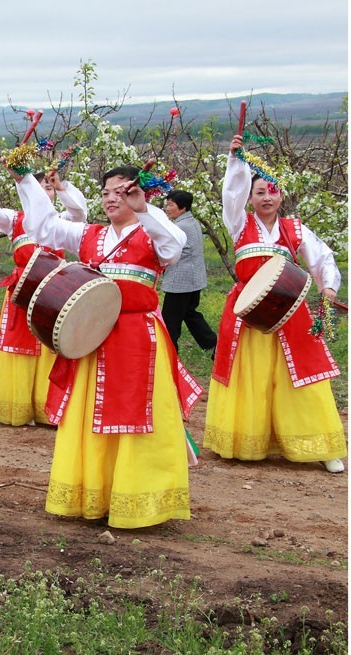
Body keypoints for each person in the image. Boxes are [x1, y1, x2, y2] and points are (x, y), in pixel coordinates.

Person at [18, 165, 201, 529]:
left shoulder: (153, 233)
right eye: (106, 193)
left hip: (138, 340)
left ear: (138, 193)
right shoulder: (89, 235)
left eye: (122, 191)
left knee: (137, 414)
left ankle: (138, 500)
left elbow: (175, 246)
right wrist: (25, 178)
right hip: (94, 338)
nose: (113, 198)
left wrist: (146, 209)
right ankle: (94, 494)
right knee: (91, 413)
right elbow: (43, 226)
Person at [203, 134, 346, 473]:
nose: (267, 197)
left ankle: (319, 445)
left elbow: (323, 259)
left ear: (282, 195)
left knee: (302, 376)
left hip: (290, 314)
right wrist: (236, 162)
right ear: (249, 198)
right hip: (247, 315)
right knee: (249, 375)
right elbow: (230, 194)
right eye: (260, 192)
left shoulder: (295, 229)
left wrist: (328, 289)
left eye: (273, 191)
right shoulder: (238, 225)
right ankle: (243, 442)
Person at [0, 169, 87, 426]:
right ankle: (17, 406)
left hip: (55, 295)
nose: (43, 193)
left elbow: (80, 214)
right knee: (20, 345)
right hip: (21, 295)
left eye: (47, 188)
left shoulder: (61, 220)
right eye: (38, 187)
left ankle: (48, 408)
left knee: (51, 343)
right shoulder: (14, 220)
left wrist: (62, 187)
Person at [160, 190, 217, 353]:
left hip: (180, 281)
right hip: (193, 278)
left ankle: (169, 353)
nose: (167, 208)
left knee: (170, 320)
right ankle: (212, 342)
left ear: (183, 207)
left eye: (171, 204)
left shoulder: (179, 226)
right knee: (190, 314)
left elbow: (168, 251)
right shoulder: (192, 222)